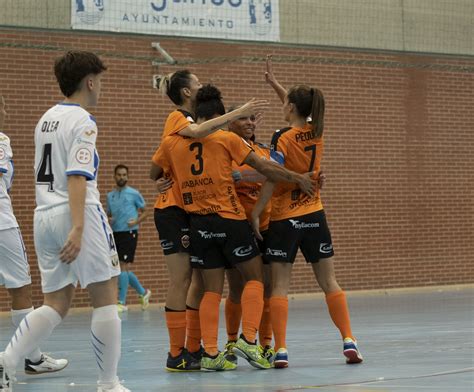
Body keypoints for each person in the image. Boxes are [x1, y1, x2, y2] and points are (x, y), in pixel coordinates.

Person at [151, 84, 318, 371]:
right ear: (220, 115)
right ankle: (248, 341)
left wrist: (164, 180)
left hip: (198, 223)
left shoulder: (171, 142)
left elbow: (154, 172)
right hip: (230, 219)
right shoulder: (226, 138)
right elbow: (266, 169)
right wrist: (299, 178)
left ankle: (210, 352)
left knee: (210, 289)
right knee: (256, 280)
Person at [0, 51, 129, 392]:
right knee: (105, 295)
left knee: (56, 303)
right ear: (89, 82)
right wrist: (78, 226)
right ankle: (108, 383)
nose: (101, 87)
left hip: (43, 215)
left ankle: (6, 361)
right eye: (100, 81)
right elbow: (77, 175)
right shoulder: (84, 121)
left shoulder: (45, 118)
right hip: (77, 211)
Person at [151, 70, 268, 372]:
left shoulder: (194, 124)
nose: (201, 86)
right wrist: (236, 114)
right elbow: (197, 133)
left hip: (191, 210)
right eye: (197, 83)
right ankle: (177, 353)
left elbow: (157, 167)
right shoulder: (179, 118)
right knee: (183, 280)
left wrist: (161, 177)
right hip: (174, 210)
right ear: (187, 93)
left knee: (199, 283)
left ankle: (196, 349)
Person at [250, 55, 363, 369]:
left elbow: (273, 176)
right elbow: (299, 109)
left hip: (286, 218)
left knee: (281, 286)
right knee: (330, 282)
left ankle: (282, 349)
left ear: (290, 109)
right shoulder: (317, 131)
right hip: (315, 214)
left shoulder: (283, 138)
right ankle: (349, 339)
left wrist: (258, 211)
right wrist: (276, 85)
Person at [0, 96, 68, 387]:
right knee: (21, 288)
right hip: (2, 225)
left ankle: (34, 356)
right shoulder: (1, 139)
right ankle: (32, 358)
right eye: (2, 106)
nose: (6, 110)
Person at [223, 109, 274, 364]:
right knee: (235, 289)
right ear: (229, 123)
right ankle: (232, 343)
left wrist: (243, 175)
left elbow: (273, 173)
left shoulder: (263, 151)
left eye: (253, 119)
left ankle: (265, 345)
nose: (250, 123)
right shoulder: (224, 150)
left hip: (265, 226)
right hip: (237, 226)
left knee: (267, 288)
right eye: (243, 118)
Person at [107, 164, 151, 312]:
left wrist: (136, 221)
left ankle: (121, 301)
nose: (122, 177)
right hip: (116, 234)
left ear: (127, 176)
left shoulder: (134, 193)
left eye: (124, 175)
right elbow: (109, 215)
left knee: (123, 266)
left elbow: (146, 211)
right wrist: (109, 220)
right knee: (120, 268)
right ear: (114, 176)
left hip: (130, 233)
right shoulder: (110, 196)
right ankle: (143, 293)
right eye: (119, 175)